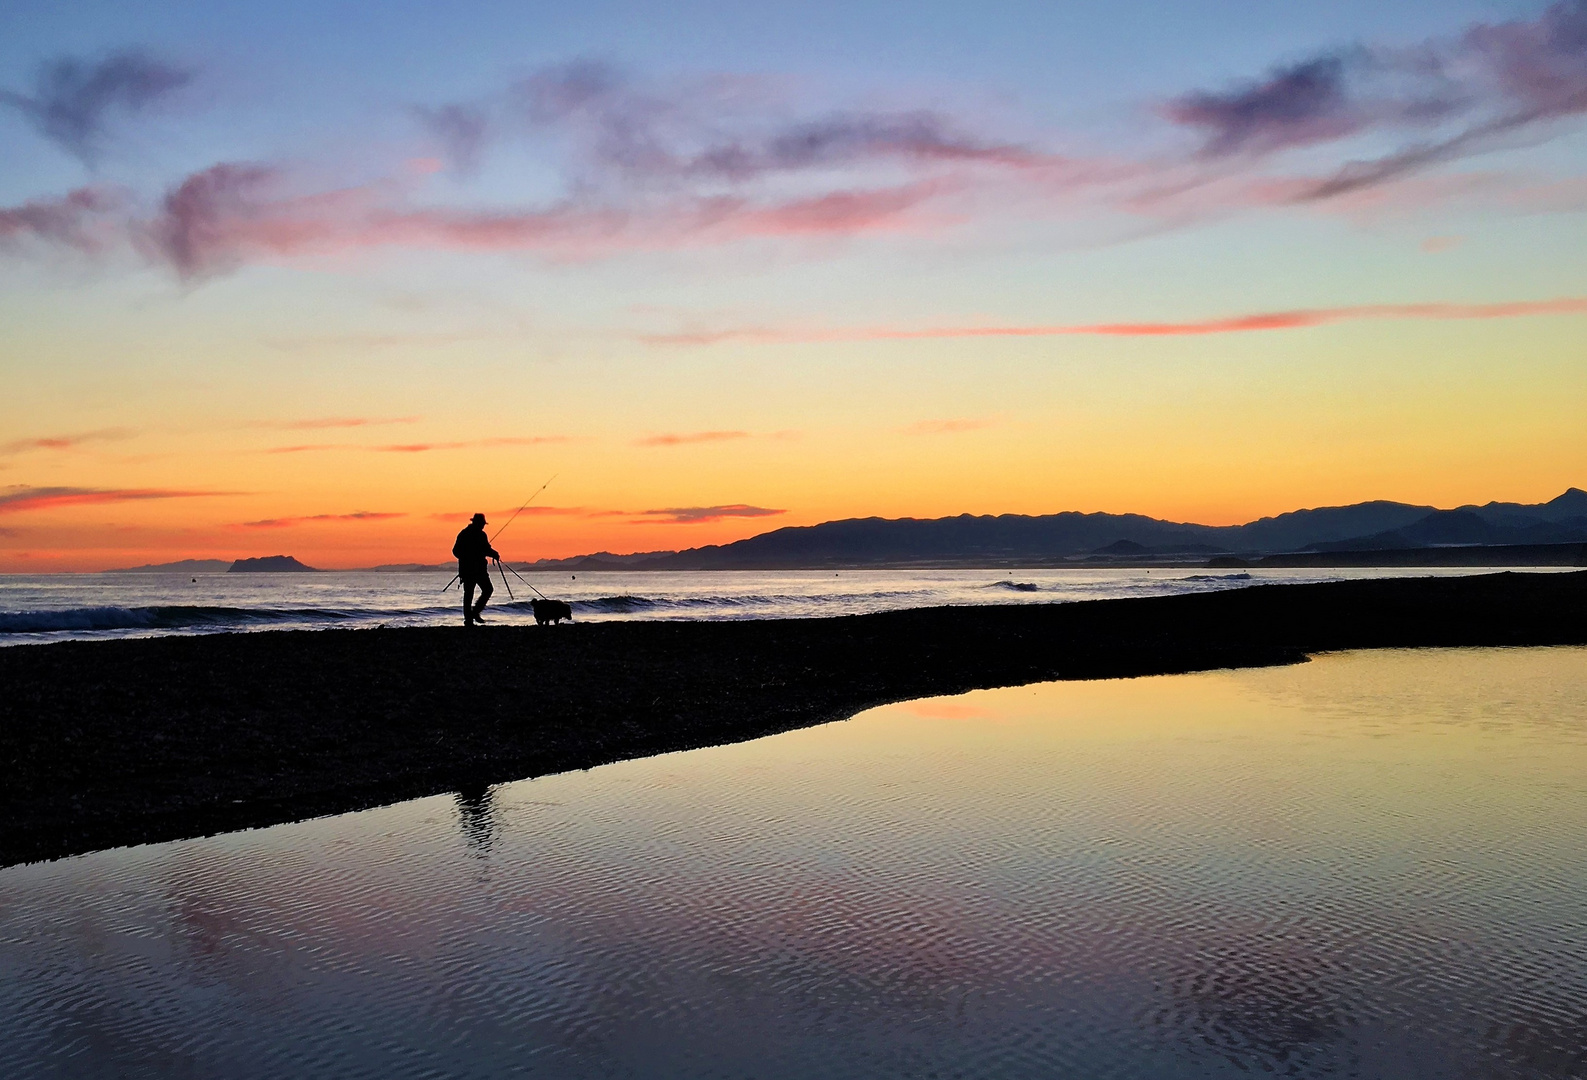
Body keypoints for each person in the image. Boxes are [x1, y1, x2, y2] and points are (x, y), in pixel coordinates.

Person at [452, 512, 500, 625]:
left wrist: (494, 554)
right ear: (476, 523)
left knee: (486, 590)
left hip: (478, 569)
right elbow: (456, 551)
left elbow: (486, 549)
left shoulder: (480, 535)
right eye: (482, 524)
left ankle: (474, 613)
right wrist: (467, 557)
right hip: (470, 570)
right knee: (470, 593)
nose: (483, 526)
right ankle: (470, 618)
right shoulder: (464, 534)